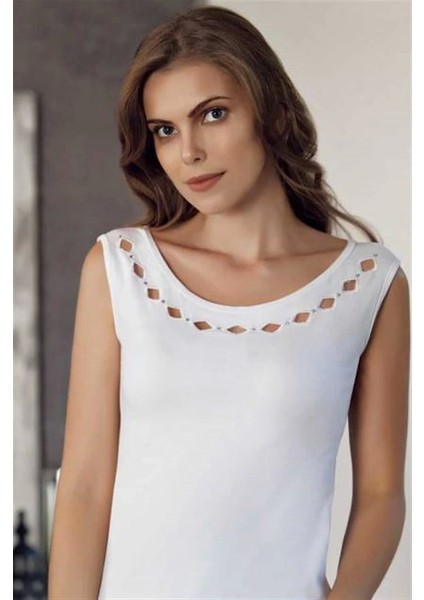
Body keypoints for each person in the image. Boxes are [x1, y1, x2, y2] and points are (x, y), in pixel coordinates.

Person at [47, 5, 410, 600]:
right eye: (165, 130)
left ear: (273, 113)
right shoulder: (120, 268)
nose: (188, 151)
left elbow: (381, 496)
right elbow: (84, 488)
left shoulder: (369, 284)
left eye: (212, 114)